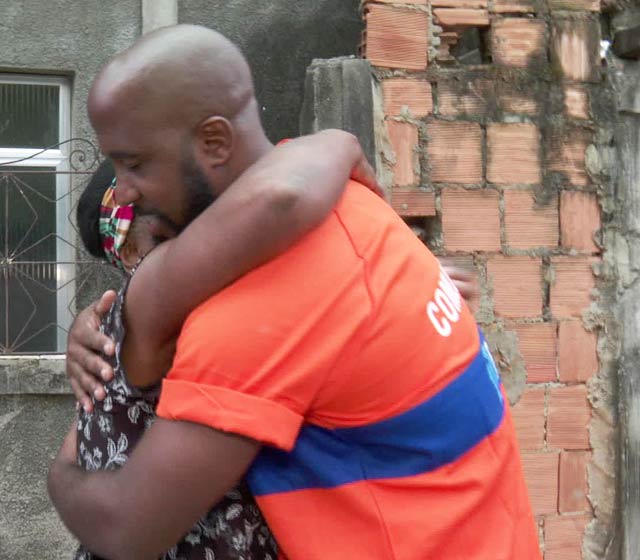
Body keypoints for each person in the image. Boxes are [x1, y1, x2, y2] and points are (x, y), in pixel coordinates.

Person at [49, 24, 541, 560]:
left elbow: (128, 530)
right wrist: (337, 141)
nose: (123, 190)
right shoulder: (351, 202)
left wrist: (59, 476)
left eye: (135, 164)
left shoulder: (248, 309)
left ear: (214, 142)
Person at [71, 133, 380, 560]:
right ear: (125, 251)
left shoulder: (132, 319)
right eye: (164, 235)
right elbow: (283, 199)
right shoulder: (153, 314)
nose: (201, 244)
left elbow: (70, 462)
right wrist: (341, 144)